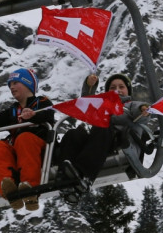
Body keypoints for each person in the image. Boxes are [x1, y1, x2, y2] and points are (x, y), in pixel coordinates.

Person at [0, 68, 54, 212]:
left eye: (15, 83)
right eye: (10, 85)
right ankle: (9, 188)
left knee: (24, 138)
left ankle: (30, 188)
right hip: (17, 146)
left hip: (38, 143)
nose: (12, 87)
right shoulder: (13, 110)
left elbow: (48, 116)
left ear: (27, 84)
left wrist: (33, 116)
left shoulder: (42, 101)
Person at [56, 73, 149, 201]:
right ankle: (65, 175)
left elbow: (140, 110)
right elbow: (88, 103)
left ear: (128, 90)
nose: (117, 90)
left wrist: (143, 110)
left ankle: (85, 175)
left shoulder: (131, 104)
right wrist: (90, 86)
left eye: (121, 87)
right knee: (74, 134)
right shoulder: (103, 104)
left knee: (103, 125)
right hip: (98, 139)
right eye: (112, 88)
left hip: (119, 139)